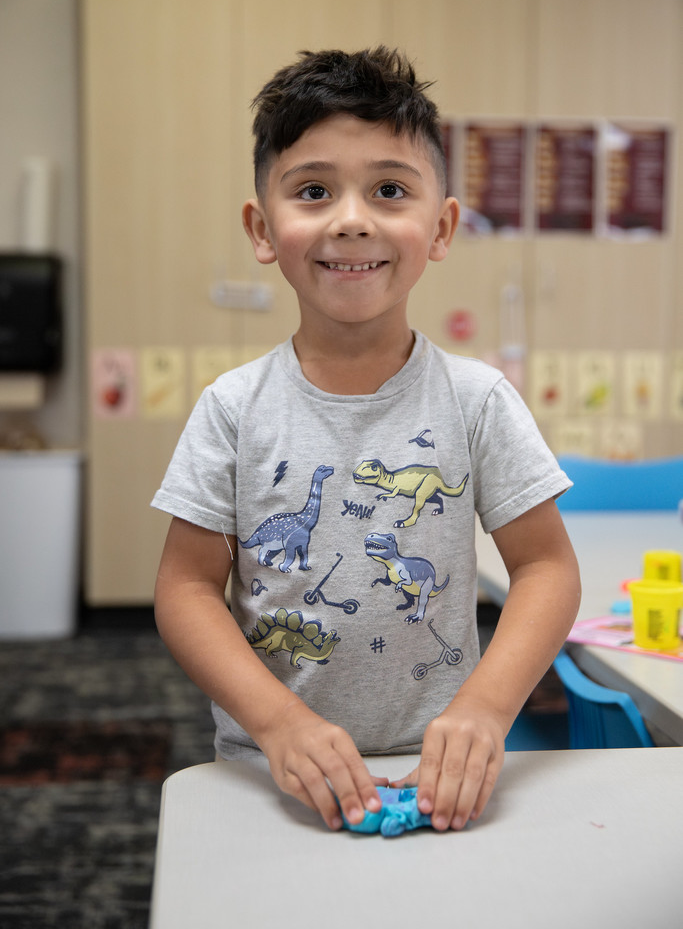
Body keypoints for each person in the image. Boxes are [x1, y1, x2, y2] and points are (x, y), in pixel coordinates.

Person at [152, 46, 581, 834]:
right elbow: (184, 591)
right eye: (313, 190)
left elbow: (546, 568)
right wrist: (278, 724)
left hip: (439, 767)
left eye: (389, 189)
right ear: (262, 228)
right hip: (271, 769)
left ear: (440, 227)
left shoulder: (476, 400)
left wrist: (486, 709)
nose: (351, 218)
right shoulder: (233, 408)